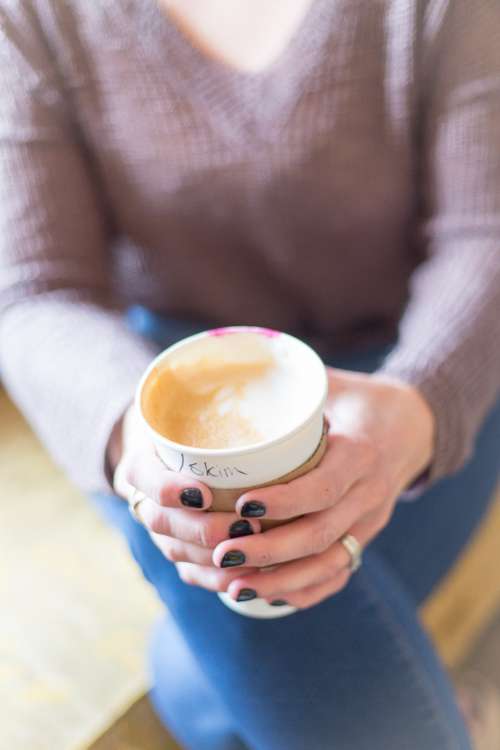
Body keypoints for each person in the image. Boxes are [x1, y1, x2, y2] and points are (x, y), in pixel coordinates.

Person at [1, 1, 499, 748]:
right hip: (159, 382)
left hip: (411, 365)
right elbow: (37, 290)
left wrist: (418, 404)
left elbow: (484, 234)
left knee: (194, 683)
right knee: (216, 542)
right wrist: (136, 432)